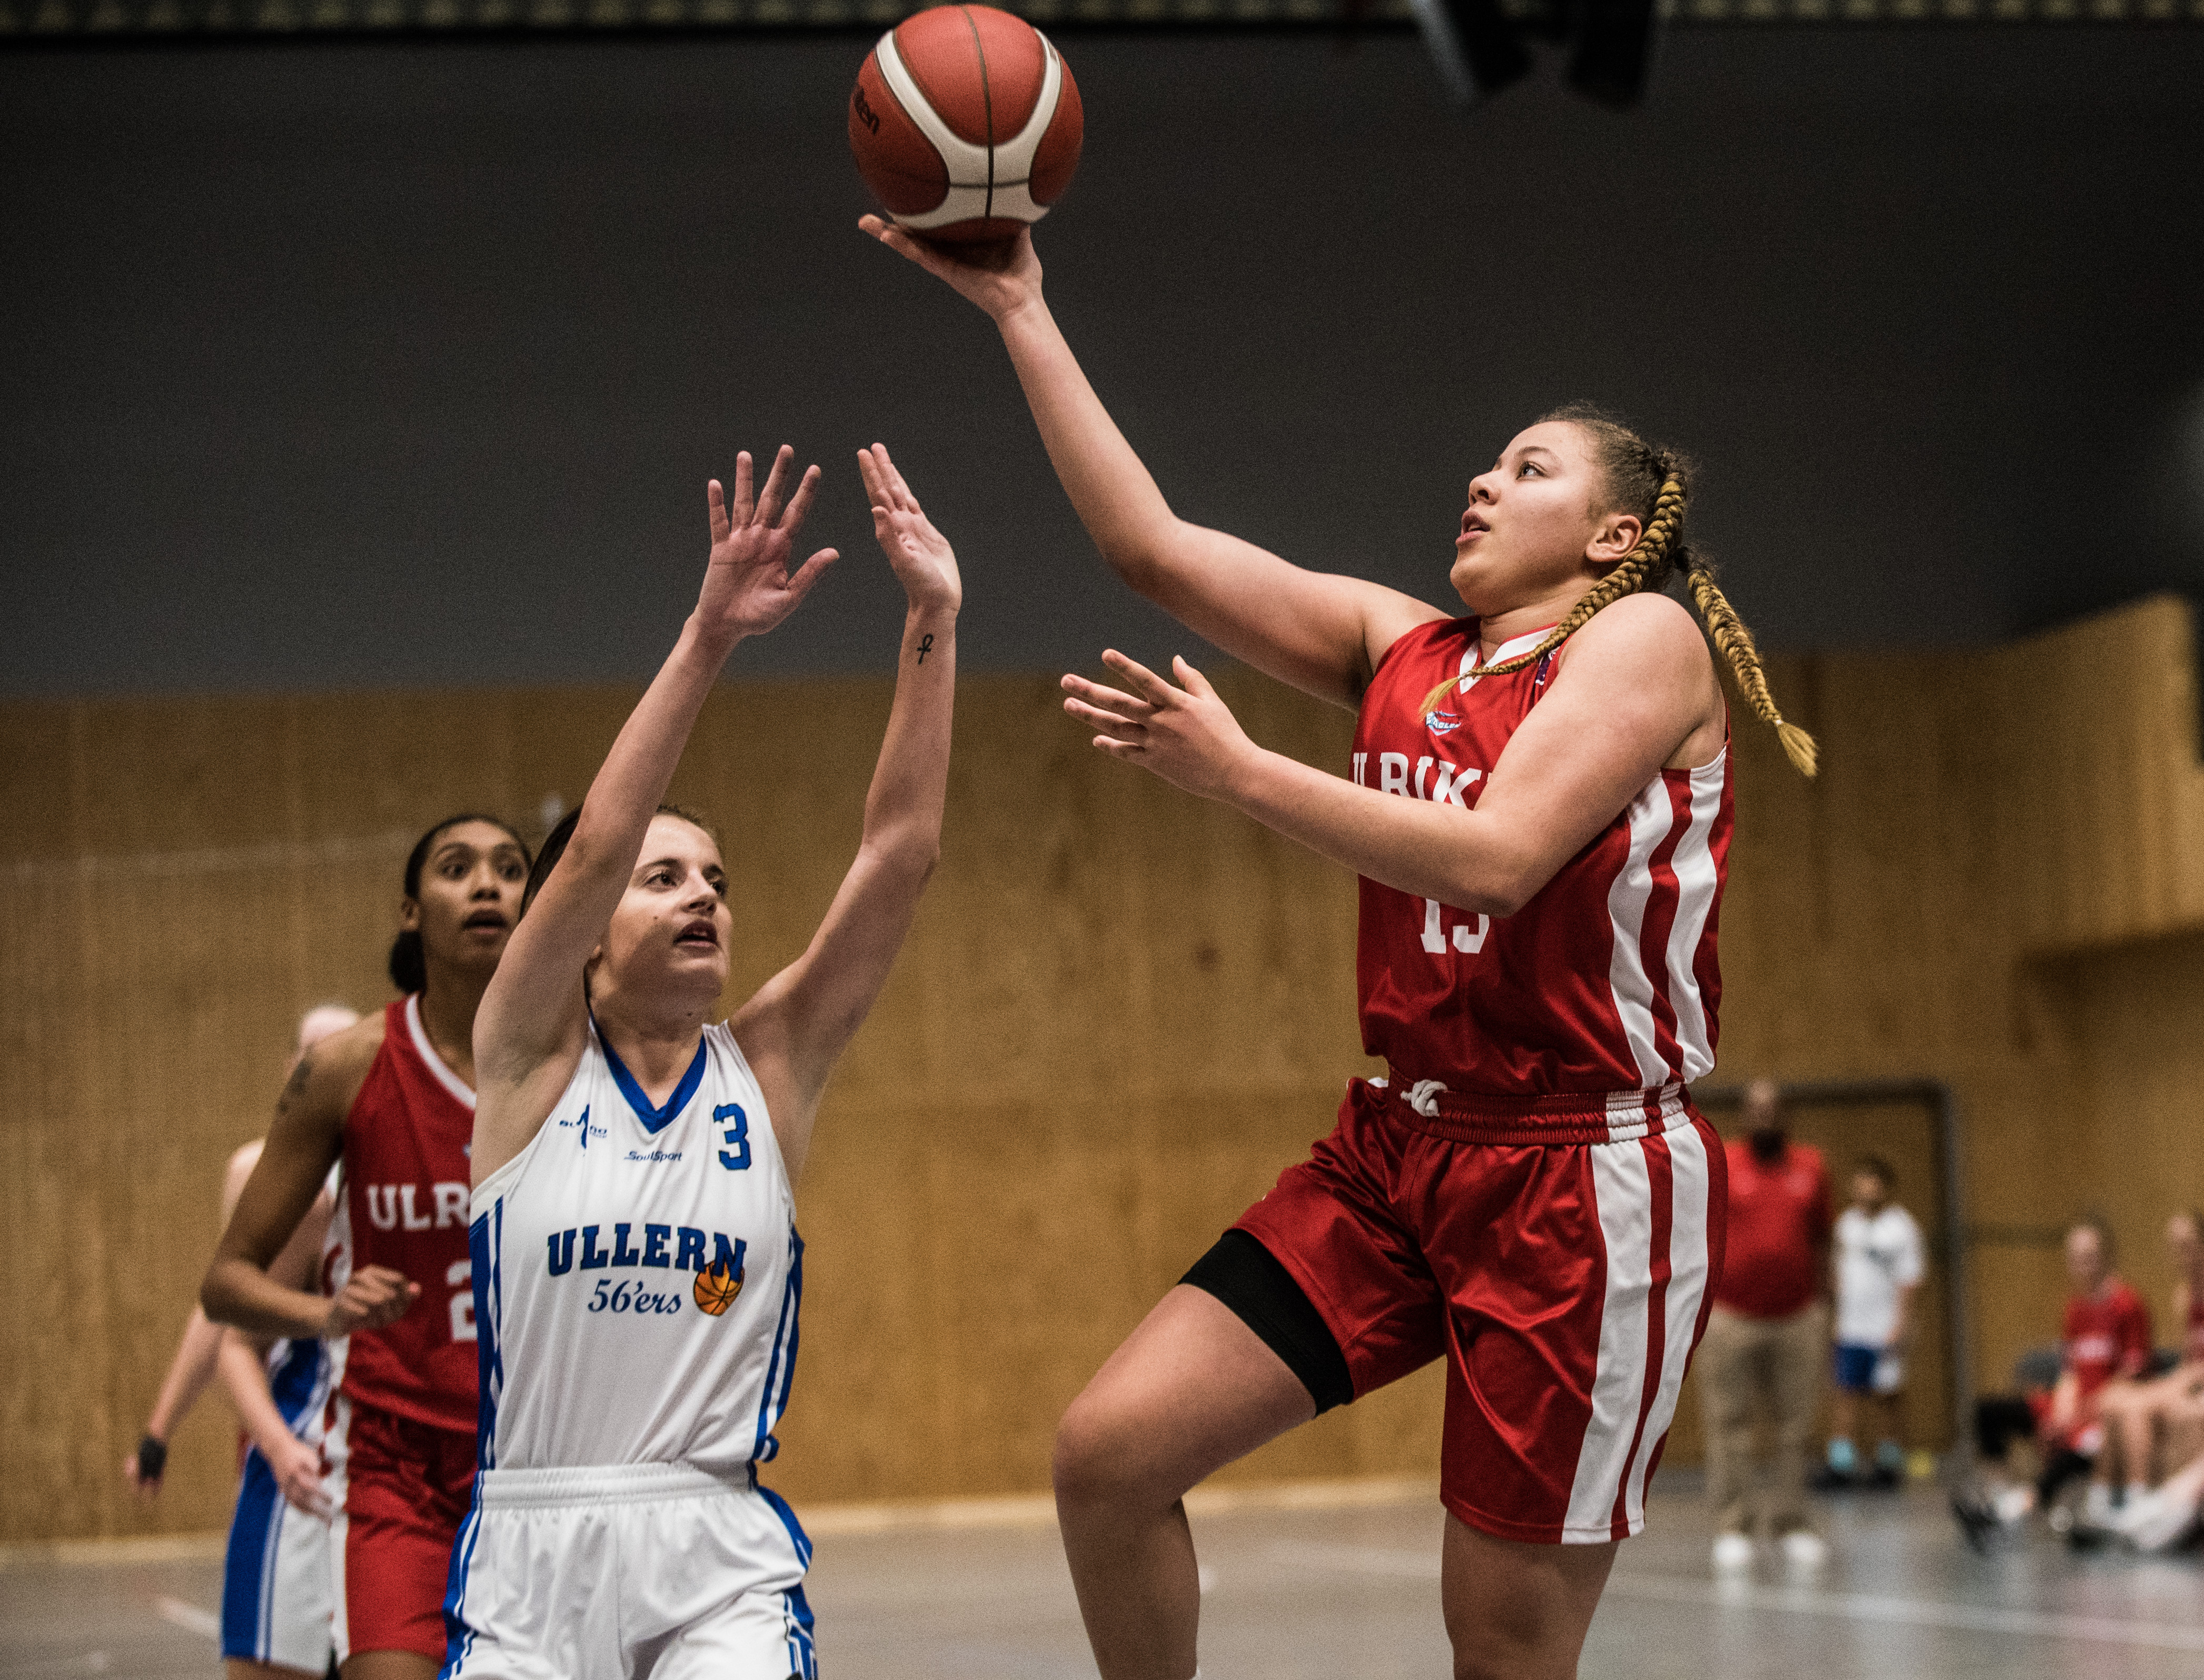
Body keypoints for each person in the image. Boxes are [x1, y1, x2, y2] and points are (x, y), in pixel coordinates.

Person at [862, 220, 1815, 1680]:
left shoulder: (1647, 643)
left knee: (1498, 1648)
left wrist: (1237, 772)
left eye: (1530, 467)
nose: (1484, 481)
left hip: (1582, 1174)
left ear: (1616, 538)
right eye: (1488, 462)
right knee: (1110, 1455)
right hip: (1402, 1148)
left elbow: (1500, 859)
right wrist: (1021, 307)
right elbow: (1151, 548)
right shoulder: (1407, 646)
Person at [442, 443, 958, 1678]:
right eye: (664, 878)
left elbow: (900, 853)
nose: (703, 896)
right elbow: (587, 849)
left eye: (718, 879)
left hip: (715, 1546)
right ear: (587, 933)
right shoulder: (524, 1061)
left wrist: (933, 620)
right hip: (531, 1546)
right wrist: (708, 638)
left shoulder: (769, 1065)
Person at [204, 814, 532, 1680]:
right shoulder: (350, 1065)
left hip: (543, 1464)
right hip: (399, 1471)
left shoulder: (577, 1062)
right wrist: (326, 1310)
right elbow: (224, 1285)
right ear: (410, 912)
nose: (488, 884)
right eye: (458, 869)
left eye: (510, 868)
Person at [127, 1005, 358, 1680]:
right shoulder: (260, 1170)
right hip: (299, 1415)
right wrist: (160, 1427)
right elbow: (225, 1312)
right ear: (291, 1068)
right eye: (312, 1055)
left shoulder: (400, 1165)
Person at [1697, 1079, 1833, 1569]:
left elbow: (1822, 1239)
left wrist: (1824, 1307)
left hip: (1798, 1316)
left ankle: (1791, 1520)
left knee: (1796, 1426)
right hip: (1731, 1315)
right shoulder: (1725, 1162)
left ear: (1786, 1115)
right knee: (1728, 1422)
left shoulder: (1812, 1167)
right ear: (1744, 1116)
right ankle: (1735, 1524)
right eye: (1755, 1109)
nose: (1764, 1117)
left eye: (1772, 1109)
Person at [1952, 1218, 2152, 1549]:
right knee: (1988, 1412)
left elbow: (2131, 1376)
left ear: (2107, 1256)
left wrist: (2080, 1415)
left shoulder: (2127, 1304)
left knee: (2073, 1457)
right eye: (2075, 1258)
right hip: (2072, 1407)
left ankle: (2004, 1513)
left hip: (2103, 1414)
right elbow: (2070, 1371)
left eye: (2090, 1257)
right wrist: (2061, 1412)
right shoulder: (2075, 1308)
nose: (2082, 1266)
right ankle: (2002, 1490)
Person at [1815, 1155, 1923, 1492]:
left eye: (1873, 1181)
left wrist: (1900, 1326)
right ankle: (1841, 1465)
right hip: (1851, 1328)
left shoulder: (1902, 1228)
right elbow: (1836, 1276)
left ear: (1885, 1187)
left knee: (1887, 1398)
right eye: (1861, 1181)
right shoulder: (1846, 1225)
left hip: (1885, 1329)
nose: (1866, 1188)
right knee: (1845, 1394)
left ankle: (1888, 1464)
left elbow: (1909, 1282)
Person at [2091, 1210, 2204, 1525]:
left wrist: (2176, 1386)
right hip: (2191, 1378)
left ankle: (2152, 1507)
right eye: (2175, 1247)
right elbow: (2189, 1359)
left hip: (2196, 1383)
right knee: (2115, 1400)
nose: (2181, 1257)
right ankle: (2118, 1498)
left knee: (2170, 1410)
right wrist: (2175, 1384)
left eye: (2188, 1246)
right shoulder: (2185, 1296)